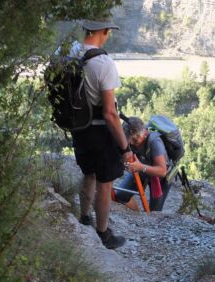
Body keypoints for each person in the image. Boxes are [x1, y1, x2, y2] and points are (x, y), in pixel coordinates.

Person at [70, 18, 132, 249]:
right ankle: (103, 234)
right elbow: (110, 114)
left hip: (78, 126)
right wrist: (125, 148)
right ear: (104, 32)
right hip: (99, 130)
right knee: (105, 183)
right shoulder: (104, 63)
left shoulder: (66, 52)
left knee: (88, 173)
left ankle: (84, 217)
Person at [112, 116, 172, 211]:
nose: (132, 143)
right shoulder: (130, 139)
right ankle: (138, 216)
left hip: (160, 177)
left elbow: (162, 171)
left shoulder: (155, 142)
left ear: (143, 133)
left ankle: (148, 219)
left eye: (135, 141)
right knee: (120, 196)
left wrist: (141, 167)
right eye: (129, 141)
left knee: (154, 212)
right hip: (140, 170)